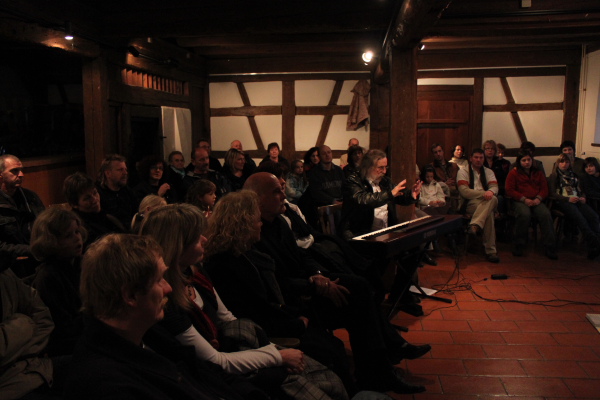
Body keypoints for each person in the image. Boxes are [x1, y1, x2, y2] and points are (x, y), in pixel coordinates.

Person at [243, 172, 429, 394]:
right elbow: (276, 284)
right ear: (257, 198)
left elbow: (302, 256)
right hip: (295, 302)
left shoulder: (280, 223)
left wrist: (318, 274)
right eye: (276, 191)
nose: (284, 195)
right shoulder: (254, 233)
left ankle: (377, 371)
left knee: (360, 287)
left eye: (282, 190)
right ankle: (378, 372)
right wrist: (315, 285)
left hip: (309, 283)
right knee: (358, 298)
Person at [140, 203, 347, 400]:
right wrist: (278, 356)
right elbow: (214, 360)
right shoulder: (164, 301)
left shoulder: (196, 273)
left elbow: (228, 319)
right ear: (177, 246)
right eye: (196, 237)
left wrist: (272, 350)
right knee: (327, 375)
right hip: (222, 376)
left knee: (332, 377)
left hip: (239, 351)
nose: (204, 239)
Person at [65, 234, 265, 400]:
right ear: (131, 296)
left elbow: (207, 374)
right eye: (159, 280)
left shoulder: (149, 334)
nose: (168, 288)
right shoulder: (107, 385)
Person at [30, 208, 86, 358]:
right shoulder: (48, 278)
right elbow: (62, 330)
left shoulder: (82, 264)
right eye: (68, 235)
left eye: (77, 232)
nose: (77, 238)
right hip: (68, 349)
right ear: (51, 242)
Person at [0, 253, 54, 399]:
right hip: (10, 385)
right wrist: (25, 322)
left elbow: (42, 316)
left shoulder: (4, 272)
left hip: (33, 367)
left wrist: (24, 351)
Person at [340, 149, 422, 239]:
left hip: (385, 231)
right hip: (360, 234)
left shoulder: (385, 181)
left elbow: (400, 196)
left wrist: (412, 194)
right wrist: (389, 194)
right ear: (368, 167)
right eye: (380, 168)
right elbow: (363, 200)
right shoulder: (353, 181)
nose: (384, 171)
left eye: (385, 167)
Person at [505, 150, 557, 259]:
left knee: (545, 214)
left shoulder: (538, 173)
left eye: (529, 160)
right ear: (519, 162)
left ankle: (550, 246)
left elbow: (544, 188)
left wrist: (539, 198)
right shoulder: (513, 173)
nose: (527, 162)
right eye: (524, 160)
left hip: (536, 200)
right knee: (524, 214)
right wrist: (524, 199)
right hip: (520, 200)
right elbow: (509, 190)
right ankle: (519, 244)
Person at [0, 154, 45, 276]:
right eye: (14, 171)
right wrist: (28, 250)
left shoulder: (31, 197)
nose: (21, 174)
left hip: (37, 261)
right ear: (1, 175)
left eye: (21, 170)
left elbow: (46, 225)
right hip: (8, 267)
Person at [549, 154, 600, 260]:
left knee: (593, 216)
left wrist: (583, 197)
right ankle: (595, 242)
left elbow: (581, 190)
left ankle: (594, 247)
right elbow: (553, 193)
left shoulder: (575, 175)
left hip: (577, 199)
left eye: (567, 162)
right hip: (563, 201)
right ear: (558, 163)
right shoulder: (554, 176)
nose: (564, 164)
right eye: (562, 162)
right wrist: (567, 199)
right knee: (580, 218)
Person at [457, 148, 500, 263]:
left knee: (491, 202)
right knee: (490, 209)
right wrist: (484, 193)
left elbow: (494, 187)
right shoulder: (463, 172)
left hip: (485, 202)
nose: (478, 160)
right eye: (476, 157)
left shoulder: (488, 172)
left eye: (481, 158)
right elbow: (465, 192)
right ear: (471, 158)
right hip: (469, 203)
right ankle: (491, 251)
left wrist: (490, 192)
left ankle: (475, 225)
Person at [64, 172, 126, 247]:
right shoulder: (79, 228)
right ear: (74, 204)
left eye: (95, 193)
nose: (95, 199)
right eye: (87, 198)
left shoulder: (106, 217)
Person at [96, 154, 139, 229]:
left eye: (125, 170)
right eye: (120, 170)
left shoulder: (128, 192)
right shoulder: (98, 194)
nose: (125, 173)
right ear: (108, 173)